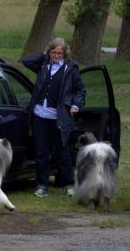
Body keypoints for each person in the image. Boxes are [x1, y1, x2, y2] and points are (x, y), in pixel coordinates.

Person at [22, 37, 86, 198]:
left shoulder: (70, 69)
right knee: (41, 152)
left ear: (65, 54)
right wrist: (43, 54)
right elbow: (26, 61)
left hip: (59, 117)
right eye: (53, 52)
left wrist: (75, 105)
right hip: (39, 115)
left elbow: (81, 90)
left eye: (59, 53)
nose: (56, 55)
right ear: (49, 52)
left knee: (62, 151)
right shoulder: (43, 65)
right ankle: (42, 185)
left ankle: (69, 184)